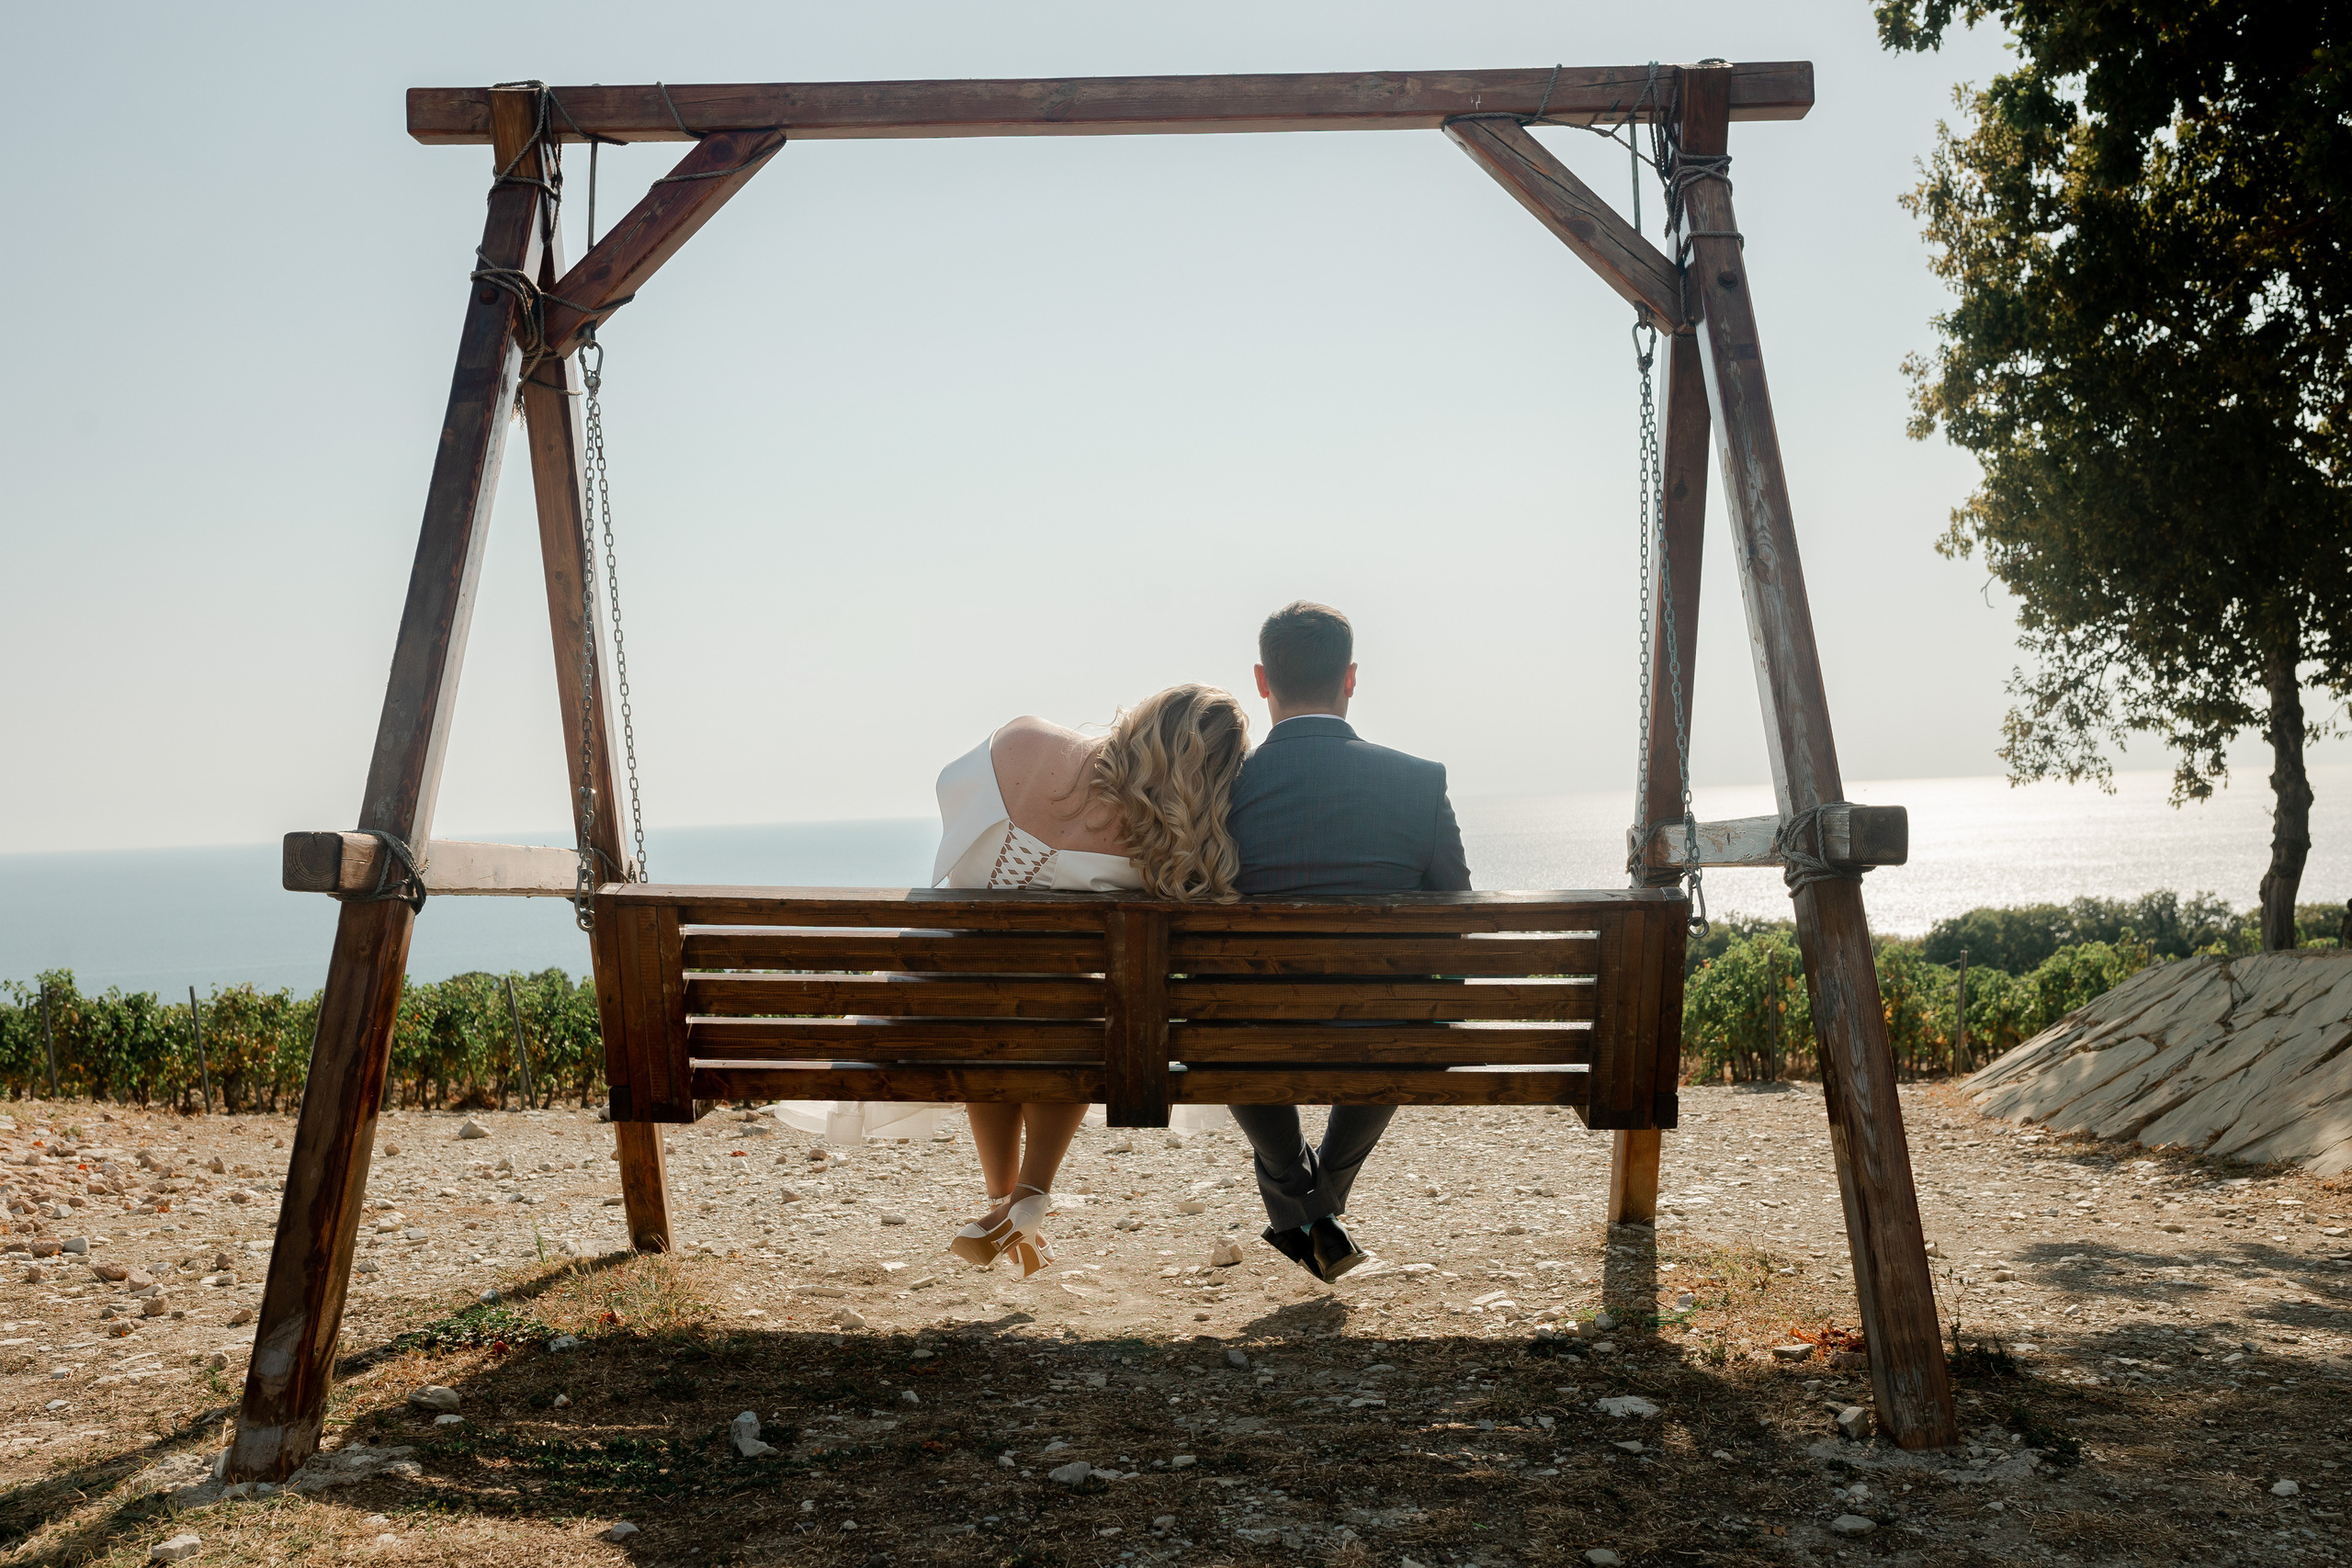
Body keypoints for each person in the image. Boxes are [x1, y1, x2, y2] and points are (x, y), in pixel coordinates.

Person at [932, 684, 1250, 1276]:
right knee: (1070, 1006)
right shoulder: (1167, 847)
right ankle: (1029, 1197)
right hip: (1065, 1021)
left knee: (1004, 1005)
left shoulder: (1022, 742)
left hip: (954, 1003)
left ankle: (1003, 1202)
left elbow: (952, 795)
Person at [1225, 601, 1470, 1281]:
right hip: (1382, 1031)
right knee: (1402, 1015)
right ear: (1351, 678)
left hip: (1249, 1035)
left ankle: (1304, 1206)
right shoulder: (1419, 781)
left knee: (1230, 1021)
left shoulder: (1218, 790)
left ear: (1262, 680)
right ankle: (1323, 1203)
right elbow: (1458, 916)